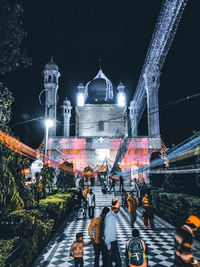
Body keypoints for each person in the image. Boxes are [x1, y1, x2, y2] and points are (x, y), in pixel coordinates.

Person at [104, 198, 122, 267]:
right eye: (118, 208)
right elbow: (107, 232)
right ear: (115, 208)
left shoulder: (111, 216)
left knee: (112, 262)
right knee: (116, 263)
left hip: (112, 243)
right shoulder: (110, 218)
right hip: (111, 244)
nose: (119, 210)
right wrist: (108, 247)